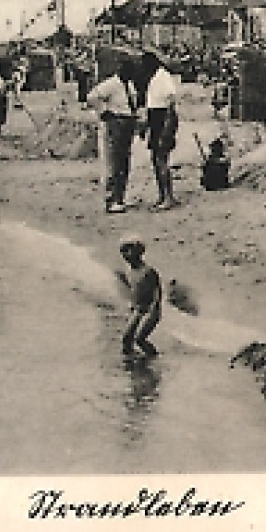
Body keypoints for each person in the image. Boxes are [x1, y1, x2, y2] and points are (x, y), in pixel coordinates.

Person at [87, 59, 141, 214]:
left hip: (127, 122)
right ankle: (111, 199)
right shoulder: (111, 84)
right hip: (116, 122)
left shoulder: (129, 85)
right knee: (113, 161)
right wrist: (104, 112)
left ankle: (120, 197)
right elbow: (92, 97)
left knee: (124, 162)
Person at [139, 51, 181, 210]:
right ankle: (162, 195)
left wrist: (167, 128)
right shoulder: (154, 78)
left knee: (161, 159)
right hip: (156, 119)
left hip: (163, 119)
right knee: (156, 159)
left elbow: (170, 103)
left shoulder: (163, 77)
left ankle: (168, 197)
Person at [119, 236, 162, 357]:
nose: (125, 255)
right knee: (126, 339)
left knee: (140, 339)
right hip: (137, 310)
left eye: (128, 251)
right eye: (123, 252)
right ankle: (130, 364)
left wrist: (154, 308)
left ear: (139, 252)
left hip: (150, 310)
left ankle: (154, 358)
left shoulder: (148, 271)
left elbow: (157, 292)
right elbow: (134, 290)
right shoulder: (130, 271)